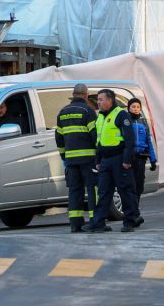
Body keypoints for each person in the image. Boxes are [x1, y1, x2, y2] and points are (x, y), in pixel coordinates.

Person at [84, 89, 140, 233]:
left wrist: (127, 160)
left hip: (119, 159)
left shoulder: (121, 115)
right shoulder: (101, 117)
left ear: (110, 100)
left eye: (101, 99)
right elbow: (99, 141)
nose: (98, 102)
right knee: (103, 192)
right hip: (105, 160)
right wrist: (98, 160)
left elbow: (130, 139)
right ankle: (98, 223)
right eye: (98, 99)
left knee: (125, 191)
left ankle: (130, 221)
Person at [54, 83, 99, 233]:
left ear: (73, 95)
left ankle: (75, 224)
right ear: (86, 95)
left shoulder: (62, 112)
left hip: (71, 160)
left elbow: (59, 138)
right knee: (93, 190)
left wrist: (64, 156)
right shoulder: (88, 111)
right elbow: (94, 135)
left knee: (74, 191)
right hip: (88, 158)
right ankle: (95, 221)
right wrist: (99, 154)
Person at [127, 98, 157, 226]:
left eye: (138, 107)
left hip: (141, 158)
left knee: (139, 187)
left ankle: (135, 210)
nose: (135, 109)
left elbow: (149, 141)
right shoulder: (126, 121)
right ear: (128, 108)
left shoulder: (143, 122)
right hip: (129, 159)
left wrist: (153, 159)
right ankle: (134, 214)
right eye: (133, 107)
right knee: (131, 187)